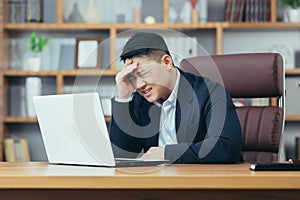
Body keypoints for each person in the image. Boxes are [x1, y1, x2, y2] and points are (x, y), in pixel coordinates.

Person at [109, 32, 242, 163]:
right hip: (155, 180)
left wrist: (166, 153)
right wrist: (124, 98)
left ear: (166, 62)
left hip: (200, 179)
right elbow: (121, 154)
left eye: (143, 73)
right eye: (132, 77)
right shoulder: (139, 99)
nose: (139, 85)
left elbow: (227, 147)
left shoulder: (210, 92)